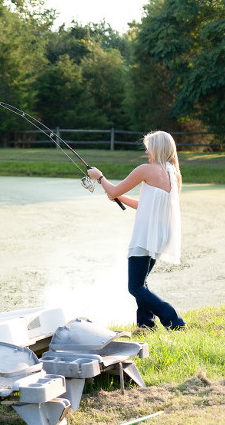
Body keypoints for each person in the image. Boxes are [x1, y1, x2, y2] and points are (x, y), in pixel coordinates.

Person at [87, 130, 186, 331]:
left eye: (149, 147)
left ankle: (174, 320)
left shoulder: (146, 170)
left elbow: (113, 190)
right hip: (159, 236)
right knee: (142, 283)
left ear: (158, 148)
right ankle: (146, 325)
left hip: (145, 236)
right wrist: (119, 197)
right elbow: (145, 204)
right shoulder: (172, 173)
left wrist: (99, 177)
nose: (147, 151)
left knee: (135, 287)